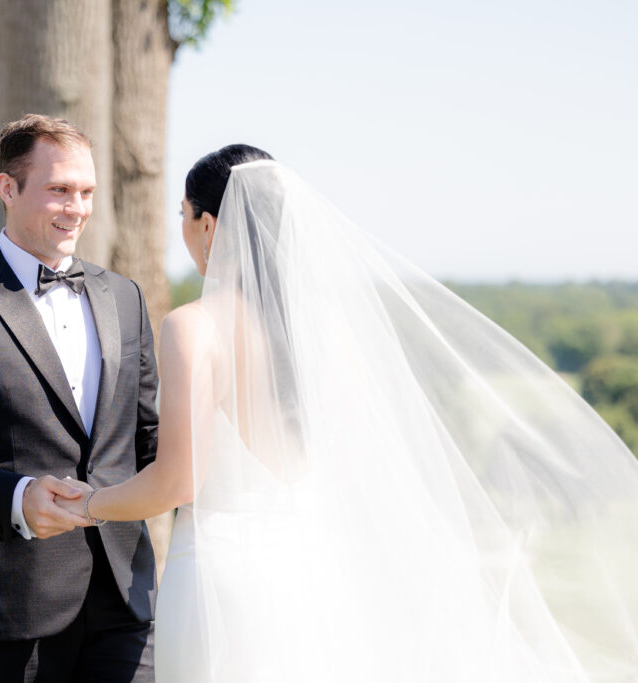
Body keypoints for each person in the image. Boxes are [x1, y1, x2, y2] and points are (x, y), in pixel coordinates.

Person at [58, 145, 638, 681]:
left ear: (209, 224)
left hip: (221, 575)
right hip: (313, 567)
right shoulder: (329, 332)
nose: (181, 231)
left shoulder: (193, 328)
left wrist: (88, 502)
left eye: (183, 215)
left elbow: (178, 479)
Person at [0, 114, 159, 683]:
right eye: (59, 190)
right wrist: (18, 496)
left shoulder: (125, 296)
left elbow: (149, 435)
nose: (77, 208)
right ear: (7, 189)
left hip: (125, 591)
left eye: (86, 191)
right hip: (8, 604)